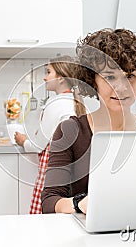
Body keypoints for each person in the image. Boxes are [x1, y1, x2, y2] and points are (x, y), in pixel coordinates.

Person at [41, 28, 136, 214]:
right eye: (109, 77)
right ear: (93, 81)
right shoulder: (70, 131)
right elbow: (50, 201)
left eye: (130, 77)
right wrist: (79, 203)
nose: (121, 88)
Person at [14, 55, 86, 214]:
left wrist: (23, 141)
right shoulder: (74, 102)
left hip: (53, 173)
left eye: (48, 72)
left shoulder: (56, 104)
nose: (45, 77)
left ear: (60, 78)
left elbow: (38, 144)